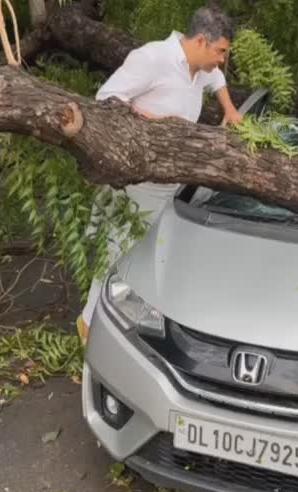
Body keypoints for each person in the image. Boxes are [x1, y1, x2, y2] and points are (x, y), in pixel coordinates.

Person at [77, 6, 243, 341]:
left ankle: (127, 319)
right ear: (200, 40)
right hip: (138, 181)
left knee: (148, 254)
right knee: (117, 251)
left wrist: (230, 109)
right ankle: (89, 325)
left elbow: (217, 79)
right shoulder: (152, 58)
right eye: (220, 51)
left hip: (170, 183)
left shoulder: (200, 66)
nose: (222, 60)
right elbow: (105, 99)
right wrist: (154, 124)